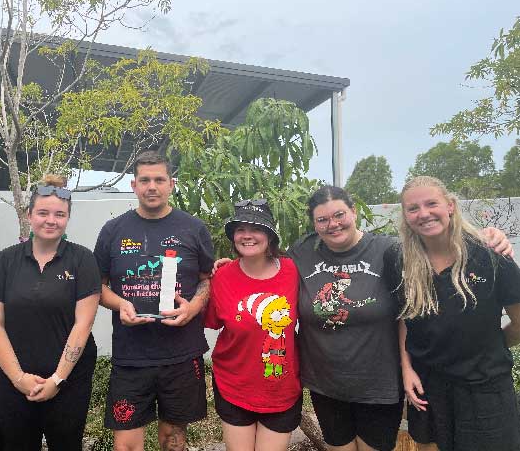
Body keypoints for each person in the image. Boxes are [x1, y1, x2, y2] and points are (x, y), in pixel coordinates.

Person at [215, 185, 512, 451]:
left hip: (378, 385)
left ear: (354, 212)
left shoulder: (390, 251)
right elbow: (264, 267)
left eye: (339, 215)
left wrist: (486, 237)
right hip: (326, 384)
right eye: (322, 219)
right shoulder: (301, 254)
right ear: (314, 225)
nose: (333, 224)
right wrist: (227, 267)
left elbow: (408, 308)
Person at [384, 176, 520, 451]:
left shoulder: (490, 255)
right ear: (405, 215)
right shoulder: (400, 260)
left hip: (485, 387)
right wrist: (407, 368)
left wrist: (488, 346)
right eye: (413, 208)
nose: (423, 214)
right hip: (428, 386)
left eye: (431, 203)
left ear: (450, 206)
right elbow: (404, 319)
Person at [94, 150, 214, 451]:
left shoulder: (194, 228)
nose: (152, 186)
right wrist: (120, 304)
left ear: (171, 184)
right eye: (145, 180)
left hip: (181, 354)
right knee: (125, 444)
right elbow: (99, 286)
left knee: (173, 439)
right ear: (134, 185)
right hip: (131, 355)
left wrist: (194, 306)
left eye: (159, 179)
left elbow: (206, 279)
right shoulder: (113, 231)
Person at [0, 175, 101, 451]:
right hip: (12, 380)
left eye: (60, 214)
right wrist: (19, 379)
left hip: (68, 381)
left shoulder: (83, 260)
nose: (51, 220)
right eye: (43, 213)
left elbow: (83, 323)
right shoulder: (5, 261)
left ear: (68, 218)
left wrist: (58, 379)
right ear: (29, 214)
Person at [204, 199, 302, 451]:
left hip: (281, 388)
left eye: (256, 228)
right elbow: (211, 321)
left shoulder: (293, 271)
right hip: (234, 384)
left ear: (270, 236)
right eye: (240, 229)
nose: (247, 235)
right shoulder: (221, 277)